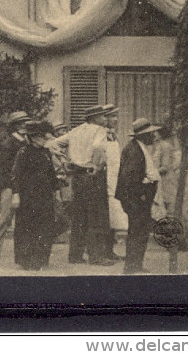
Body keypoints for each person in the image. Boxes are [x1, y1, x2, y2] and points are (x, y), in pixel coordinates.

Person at [49, 104, 118, 266]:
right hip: (93, 176)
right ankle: (96, 257)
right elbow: (97, 147)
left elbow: (53, 144)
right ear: (94, 118)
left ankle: (75, 255)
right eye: (102, 116)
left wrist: (65, 160)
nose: (105, 119)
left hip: (78, 177)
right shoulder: (99, 130)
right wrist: (97, 165)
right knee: (96, 217)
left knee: (79, 217)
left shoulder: (76, 130)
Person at [115, 117, 163, 274]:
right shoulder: (134, 150)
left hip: (139, 197)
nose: (154, 136)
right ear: (142, 135)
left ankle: (136, 265)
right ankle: (131, 267)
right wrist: (141, 194)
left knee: (140, 232)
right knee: (137, 232)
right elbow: (129, 178)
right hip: (136, 198)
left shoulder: (139, 148)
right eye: (150, 134)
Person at [10, 120, 60, 270]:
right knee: (27, 227)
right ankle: (26, 260)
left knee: (45, 227)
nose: (44, 140)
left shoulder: (45, 153)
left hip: (44, 195)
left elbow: (51, 174)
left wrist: (56, 192)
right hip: (28, 196)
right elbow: (16, 175)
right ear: (33, 138)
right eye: (41, 137)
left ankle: (41, 258)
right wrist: (16, 194)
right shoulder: (23, 153)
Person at [0, 111, 30, 258]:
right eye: (21, 123)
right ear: (15, 126)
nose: (25, 125)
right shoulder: (8, 144)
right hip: (10, 187)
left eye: (25, 122)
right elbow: (0, 168)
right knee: (5, 217)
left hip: (24, 186)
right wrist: (7, 187)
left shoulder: (26, 142)